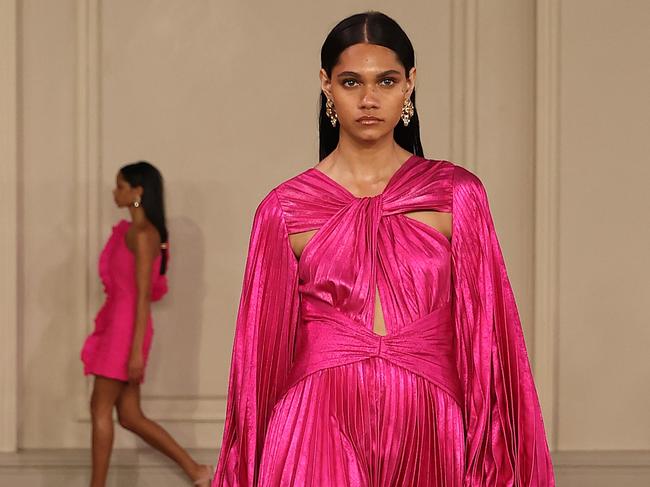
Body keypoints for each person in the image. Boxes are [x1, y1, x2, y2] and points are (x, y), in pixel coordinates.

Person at [212, 12, 555, 487]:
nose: (369, 99)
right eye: (351, 82)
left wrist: (491, 457)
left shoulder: (456, 194)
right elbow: (258, 362)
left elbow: (488, 339)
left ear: (409, 84)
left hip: (430, 418)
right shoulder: (284, 209)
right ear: (326, 85)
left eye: (386, 81)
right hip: (317, 422)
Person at [81, 161, 212, 486]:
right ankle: (197, 471)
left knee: (100, 408)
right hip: (118, 324)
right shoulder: (132, 232)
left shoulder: (142, 235)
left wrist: (136, 350)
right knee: (129, 416)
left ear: (137, 191)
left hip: (124, 329)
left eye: (121, 186)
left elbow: (141, 298)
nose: (115, 192)